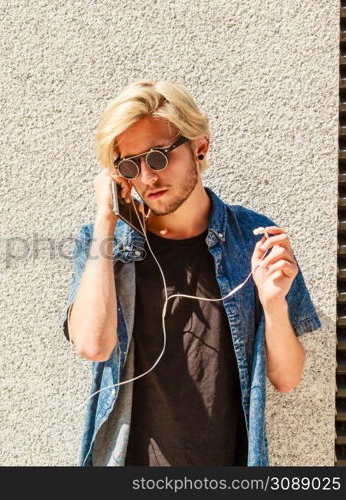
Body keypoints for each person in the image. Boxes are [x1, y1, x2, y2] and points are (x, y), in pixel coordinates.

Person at [61, 80, 321, 466]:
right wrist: (105, 220)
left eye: (158, 157)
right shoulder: (104, 243)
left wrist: (274, 304)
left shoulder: (253, 239)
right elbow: (92, 346)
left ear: (200, 147)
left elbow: (287, 379)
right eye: (131, 165)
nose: (147, 177)